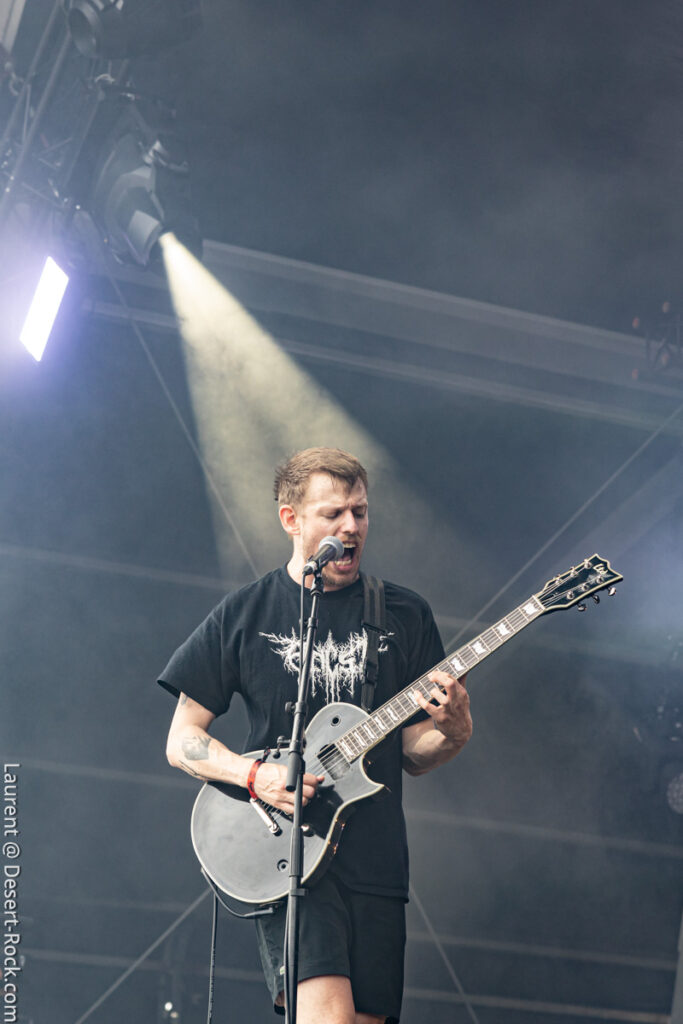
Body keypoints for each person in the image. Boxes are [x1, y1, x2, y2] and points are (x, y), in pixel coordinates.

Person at [159, 447, 472, 1024]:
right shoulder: (245, 614)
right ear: (291, 519)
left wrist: (453, 733)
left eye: (360, 512)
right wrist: (255, 775)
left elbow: (413, 751)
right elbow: (182, 740)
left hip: (377, 861)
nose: (351, 527)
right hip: (291, 857)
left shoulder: (404, 614)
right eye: (333, 514)